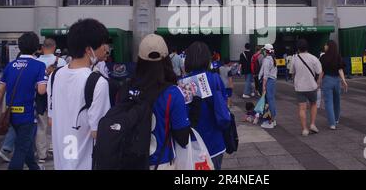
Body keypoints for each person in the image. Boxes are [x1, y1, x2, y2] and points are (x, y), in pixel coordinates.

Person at [48, 18, 111, 170]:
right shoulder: (98, 82)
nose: (106, 49)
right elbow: (99, 133)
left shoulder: (54, 76)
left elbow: (51, 120)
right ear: (89, 50)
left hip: (61, 163)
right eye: (103, 44)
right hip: (85, 163)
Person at [124, 34, 190, 170]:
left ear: (140, 59)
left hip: (129, 161)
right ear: (166, 59)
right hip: (161, 162)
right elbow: (183, 138)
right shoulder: (172, 93)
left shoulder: (125, 89)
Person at [0, 32, 47, 170]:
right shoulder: (39, 65)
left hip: (10, 114)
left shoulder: (10, 66)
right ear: (36, 47)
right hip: (28, 115)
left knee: (27, 148)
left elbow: (0, 90)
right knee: (20, 150)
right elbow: (42, 90)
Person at [185, 41, 230, 170]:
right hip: (214, 141)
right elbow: (223, 106)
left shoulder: (183, 82)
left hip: (192, 143)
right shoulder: (214, 78)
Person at [36, 38, 67, 163]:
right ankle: (55, 149)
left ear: (43, 47)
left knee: (41, 126)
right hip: (57, 97)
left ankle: (42, 154)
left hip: (41, 97)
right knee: (58, 124)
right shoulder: (61, 61)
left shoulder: (37, 62)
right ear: (54, 47)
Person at [289, 39, 322, 136]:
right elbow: (319, 72)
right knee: (313, 104)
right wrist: (318, 83)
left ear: (298, 48)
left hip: (300, 87)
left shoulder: (295, 59)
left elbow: (292, 73)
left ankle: (304, 129)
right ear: (307, 47)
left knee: (302, 108)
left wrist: (295, 81)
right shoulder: (314, 58)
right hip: (312, 86)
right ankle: (312, 124)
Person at [319, 41, 348, 130]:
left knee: (328, 103)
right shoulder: (338, 56)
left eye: (326, 45)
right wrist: (344, 81)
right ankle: (336, 120)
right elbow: (340, 70)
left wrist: (318, 82)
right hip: (337, 80)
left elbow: (322, 72)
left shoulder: (323, 57)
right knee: (337, 101)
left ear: (329, 46)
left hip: (327, 80)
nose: (324, 46)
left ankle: (332, 124)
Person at [258, 44, 278, 129]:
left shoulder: (267, 60)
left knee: (270, 100)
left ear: (266, 51)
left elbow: (265, 75)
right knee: (270, 100)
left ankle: (272, 121)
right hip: (272, 80)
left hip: (268, 81)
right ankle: (271, 119)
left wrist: (263, 86)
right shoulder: (273, 59)